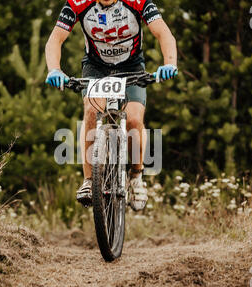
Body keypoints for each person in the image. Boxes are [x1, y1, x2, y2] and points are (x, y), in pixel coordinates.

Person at [45, 0, 178, 211]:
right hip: (96, 67)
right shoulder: (78, 4)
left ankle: (136, 176)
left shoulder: (138, 2)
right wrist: (54, 69)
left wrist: (169, 62)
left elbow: (163, 33)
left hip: (131, 65)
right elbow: (55, 40)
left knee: (134, 119)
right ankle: (89, 180)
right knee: (91, 110)